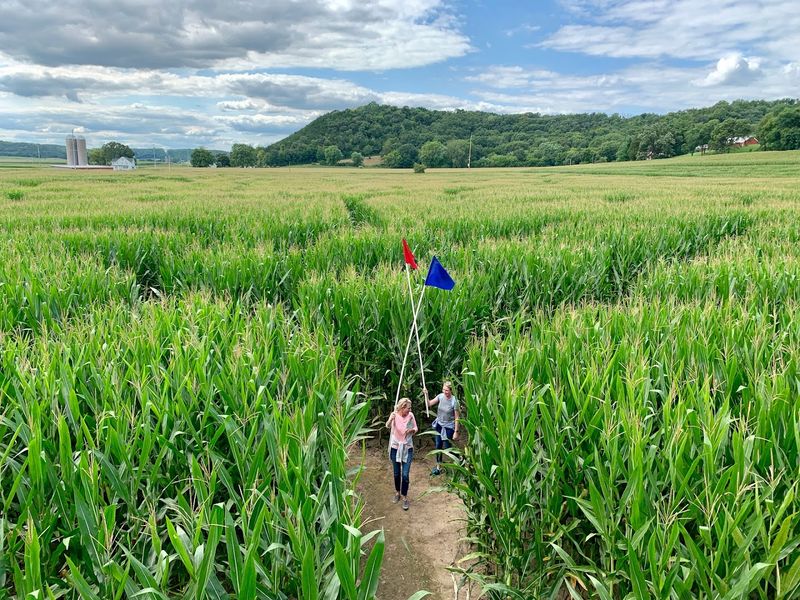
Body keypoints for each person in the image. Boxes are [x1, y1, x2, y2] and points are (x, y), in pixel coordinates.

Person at [385, 397, 418, 510]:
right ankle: (397, 492)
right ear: (403, 407)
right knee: (396, 473)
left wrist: (411, 430)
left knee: (405, 474)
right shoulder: (394, 415)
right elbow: (387, 426)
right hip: (395, 448)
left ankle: (404, 496)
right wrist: (390, 419)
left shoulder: (411, 416)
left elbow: (416, 428)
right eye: (408, 408)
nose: (410, 410)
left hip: (407, 448)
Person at [425, 381, 460, 476]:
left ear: (451, 390)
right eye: (443, 389)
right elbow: (429, 404)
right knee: (438, 445)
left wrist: (456, 431)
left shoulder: (454, 401)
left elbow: (457, 417)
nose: (445, 392)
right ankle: (438, 466)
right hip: (439, 425)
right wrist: (426, 394)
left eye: (447, 390)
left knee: (448, 447)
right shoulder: (440, 396)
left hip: (449, 427)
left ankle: (458, 460)